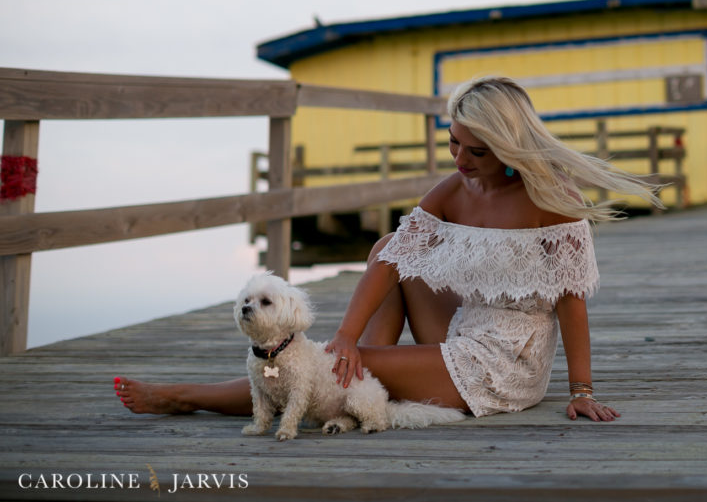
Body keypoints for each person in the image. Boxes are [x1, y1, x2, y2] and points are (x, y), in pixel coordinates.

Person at [116, 76, 662, 423]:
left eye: (476, 150)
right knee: (390, 248)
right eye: (452, 142)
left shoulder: (552, 199)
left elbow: (571, 301)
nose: (460, 159)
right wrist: (349, 337)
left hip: (507, 362)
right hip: (464, 329)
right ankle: (355, 378)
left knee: (319, 364)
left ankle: (187, 397)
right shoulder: (453, 191)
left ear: (510, 148)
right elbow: (391, 260)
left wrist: (582, 389)